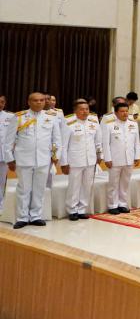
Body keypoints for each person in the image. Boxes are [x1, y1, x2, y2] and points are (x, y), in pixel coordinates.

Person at [6, 93, 59, 228]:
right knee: (24, 189)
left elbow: (56, 139)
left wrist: (55, 156)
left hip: (43, 159)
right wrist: (9, 159)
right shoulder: (19, 117)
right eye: (35, 100)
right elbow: (8, 140)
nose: (39, 103)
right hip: (23, 159)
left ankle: (36, 216)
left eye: (41, 100)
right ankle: (22, 218)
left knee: (39, 189)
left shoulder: (51, 117)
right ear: (29, 102)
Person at [59, 99, 102, 221]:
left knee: (87, 186)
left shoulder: (94, 122)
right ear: (75, 111)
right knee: (74, 186)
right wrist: (64, 163)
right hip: (75, 160)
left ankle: (82, 209)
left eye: (87, 109)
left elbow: (98, 141)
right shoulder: (69, 123)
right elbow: (63, 145)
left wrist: (100, 155)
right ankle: (72, 210)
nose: (85, 111)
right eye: (82, 109)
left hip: (90, 160)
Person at [100, 101, 140, 213]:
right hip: (115, 159)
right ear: (116, 113)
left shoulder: (133, 124)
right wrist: (107, 158)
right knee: (113, 184)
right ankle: (113, 205)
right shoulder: (109, 125)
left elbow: (137, 142)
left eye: (127, 111)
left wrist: (137, 156)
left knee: (125, 183)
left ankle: (122, 203)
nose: (125, 113)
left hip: (129, 159)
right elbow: (105, 144)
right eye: (122, 111)